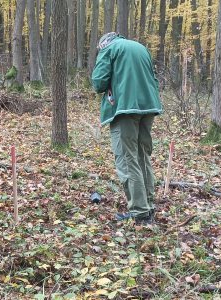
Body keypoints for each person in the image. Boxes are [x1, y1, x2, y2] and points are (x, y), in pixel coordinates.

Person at [90, 32, 163, 225]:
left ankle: (139, 212)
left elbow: (99, 82)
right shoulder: (141, 47)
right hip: (149, 107)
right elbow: (153, 79)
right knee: (142, 156)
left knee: (127, 158)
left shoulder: (109, 49)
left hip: (125, 108)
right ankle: (148, 205)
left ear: (103, 43)